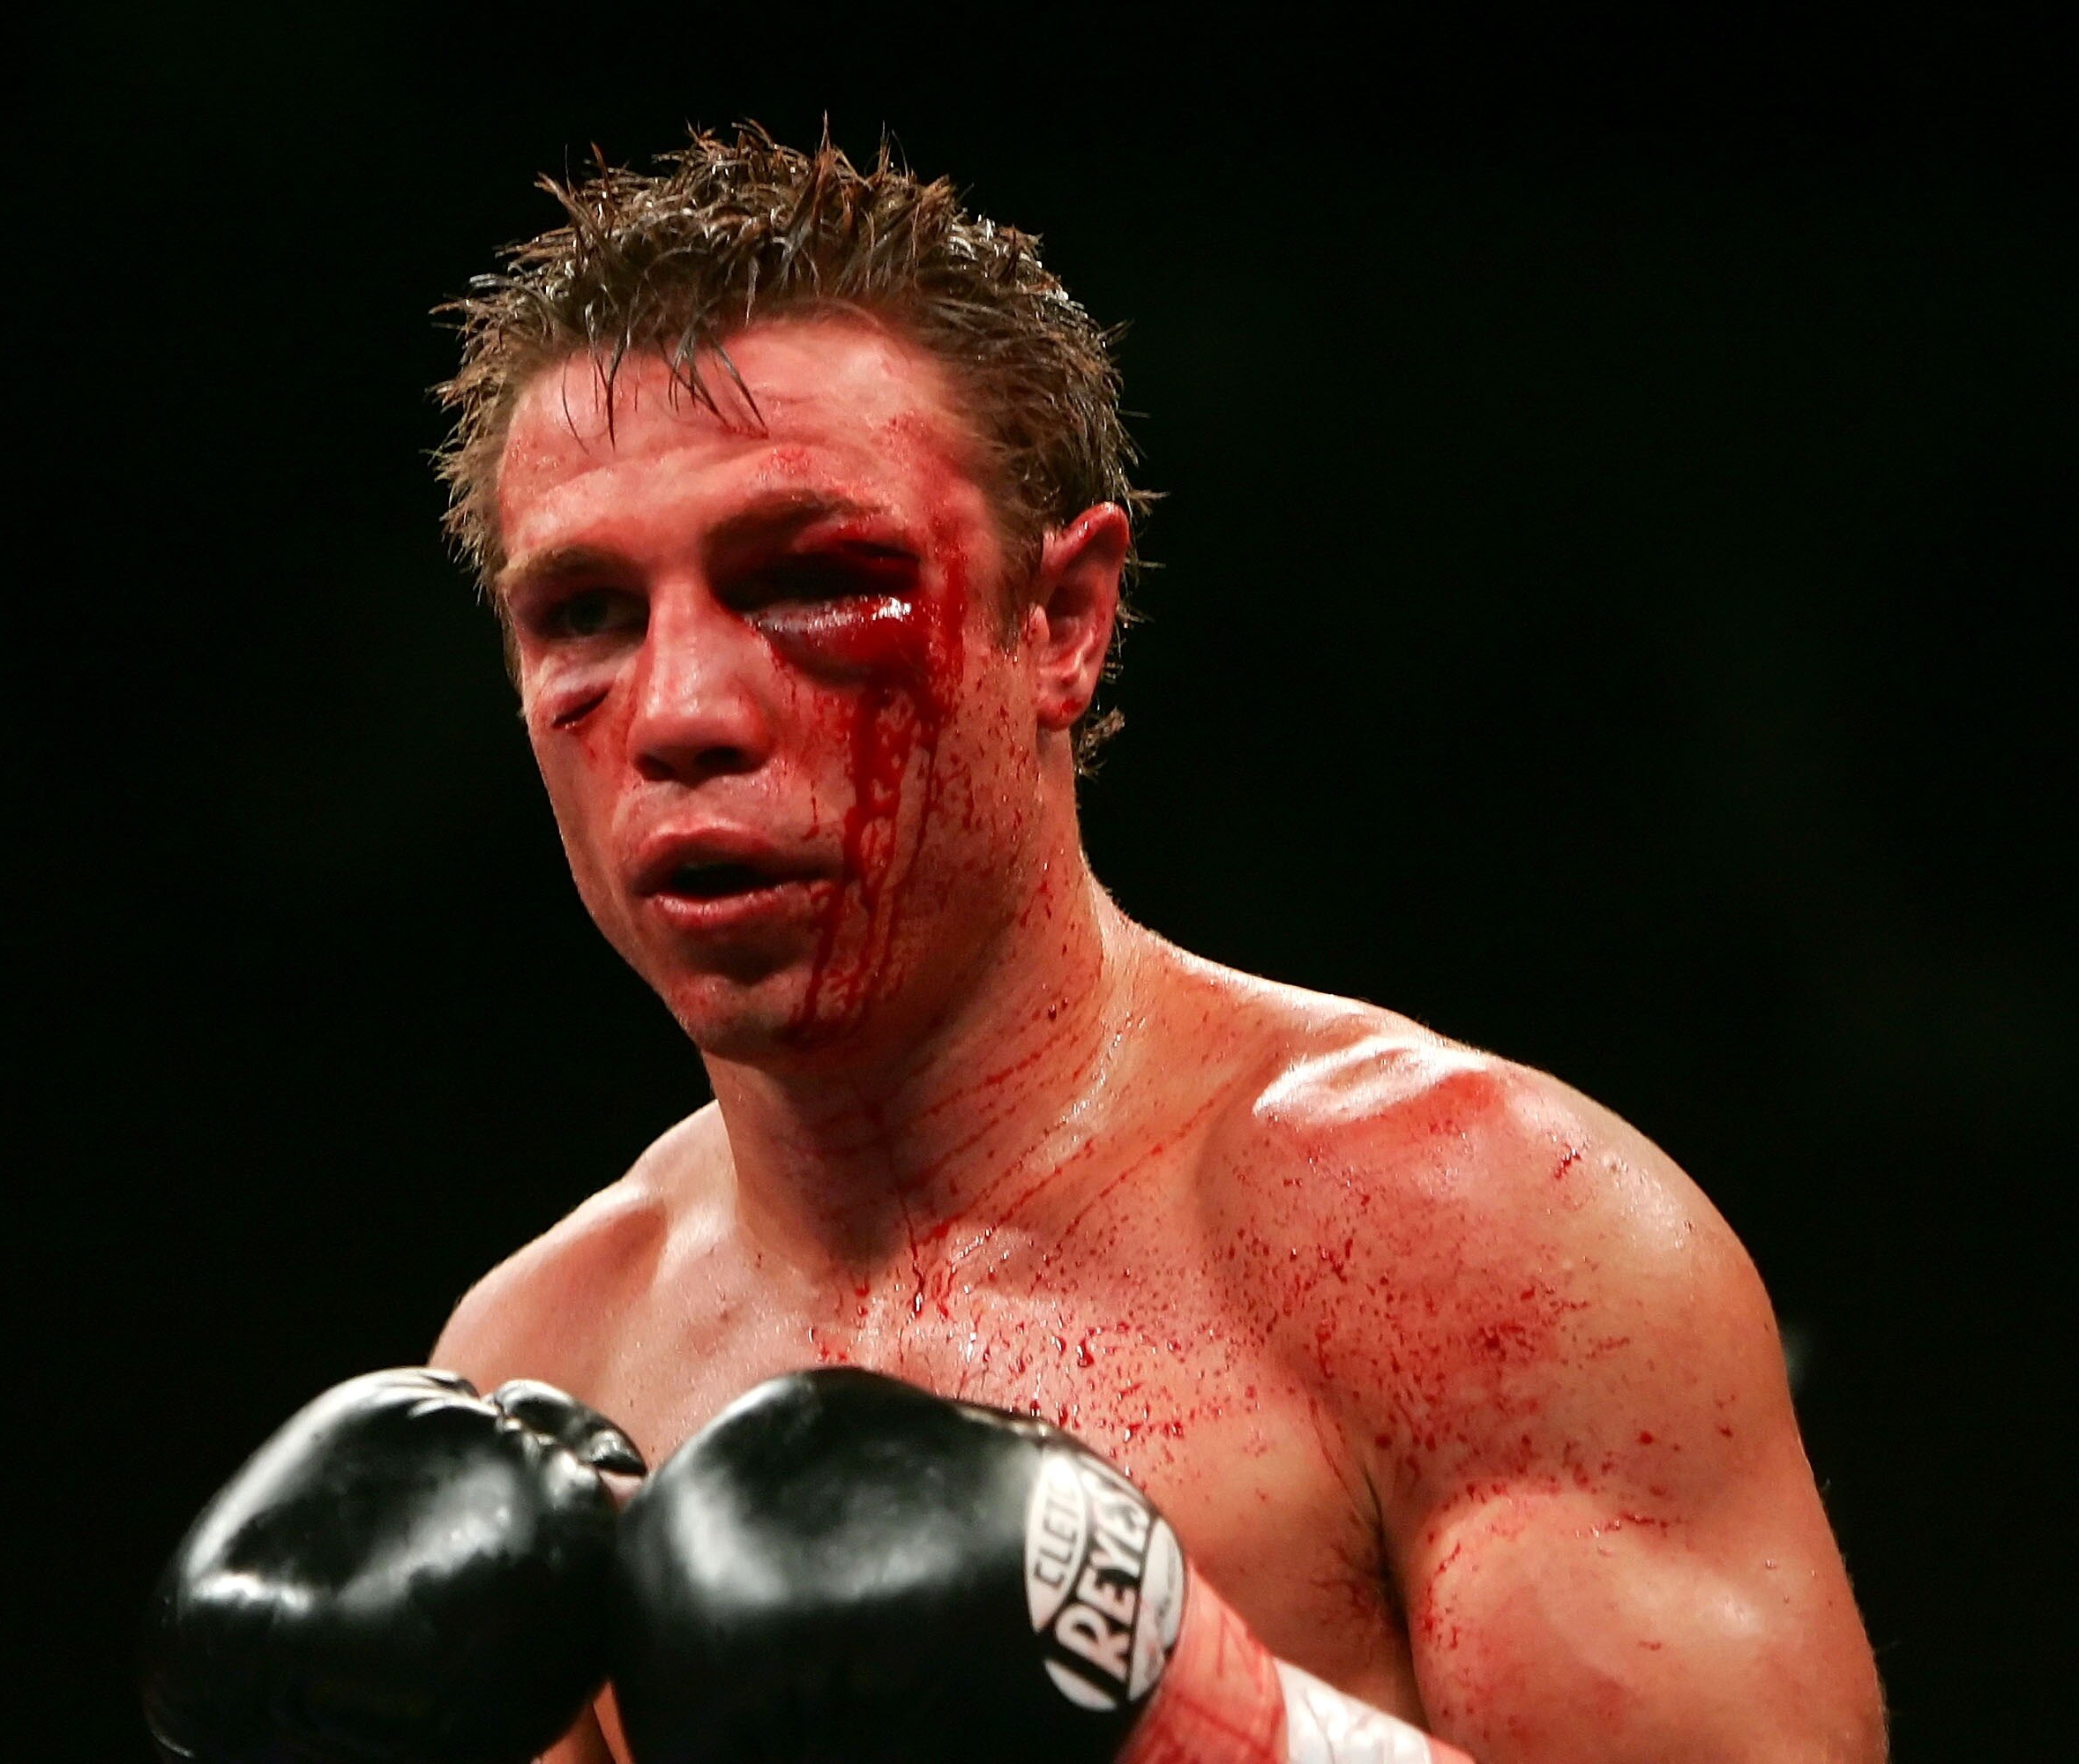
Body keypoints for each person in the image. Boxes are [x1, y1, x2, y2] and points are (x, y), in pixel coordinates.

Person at [419, 128, 1881, 1761]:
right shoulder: (542, 1364)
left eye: (813, 580)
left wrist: (1200, 1713)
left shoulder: (1472, 1243)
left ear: (1061, 622)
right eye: (586, 615)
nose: (682, 713)